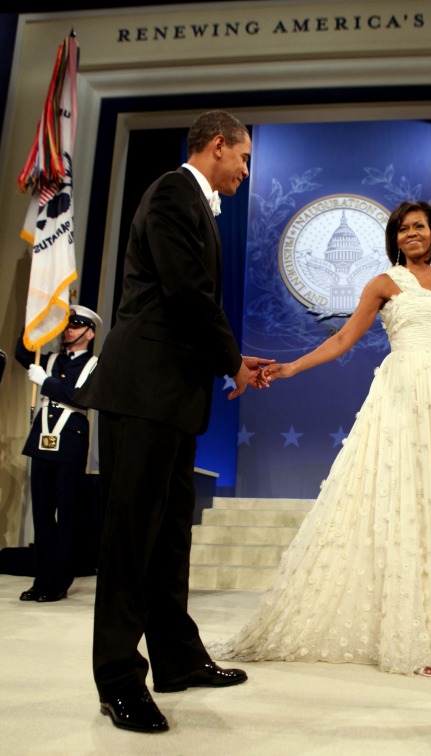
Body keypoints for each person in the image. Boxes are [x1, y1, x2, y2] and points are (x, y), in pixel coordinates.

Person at [206, 200, 431, 678]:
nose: (412, 233)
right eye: (403, 229)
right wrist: (289, 368)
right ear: (395, 239)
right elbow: (341, 340)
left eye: (420, 226)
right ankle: (410, 637)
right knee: (407, 506)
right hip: (401, 398)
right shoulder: (383, 284)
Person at [74, 110, 274, 733]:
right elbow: (187, 292)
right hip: (144, 391)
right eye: (243, 158)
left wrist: (229, 361)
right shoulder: (171, 192)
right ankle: (117, 680)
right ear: (218, 146)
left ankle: (177, 658)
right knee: (131, 539)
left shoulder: (193, 201)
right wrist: (234, 362)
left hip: (172, 397)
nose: (245, 171)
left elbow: (191, 297)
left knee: (168, 538)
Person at [15, 305, 100, 603]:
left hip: (70, 445)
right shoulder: (48, 360)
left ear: (89, 333)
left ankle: (59, 580)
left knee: (66, 516)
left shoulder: (94, 365)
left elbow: (80, 397)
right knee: (41, 514)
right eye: (67, 325)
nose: (69, 330)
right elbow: (21, 349)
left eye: (76, 326)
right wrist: (37, 317)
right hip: (41, 442)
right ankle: (42, 578)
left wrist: (45, 382)